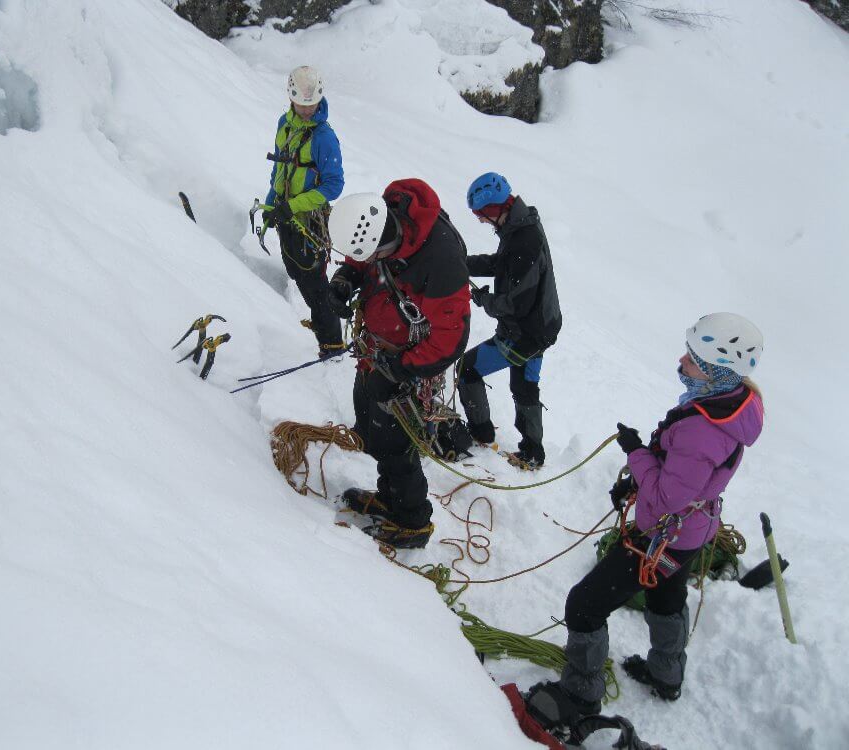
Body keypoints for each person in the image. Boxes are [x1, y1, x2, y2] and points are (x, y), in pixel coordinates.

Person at [525, 313, 765, 729]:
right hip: (689, 532)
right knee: (666, 597)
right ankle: (666, 674)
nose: (682, 362)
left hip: (664, 536)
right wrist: (640, 476)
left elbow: (665, 499)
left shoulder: (703, 430)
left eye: (692, 359)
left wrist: (636, 453)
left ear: (713, 370)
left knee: (584, 605)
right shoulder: (729, 403)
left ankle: (580, 697)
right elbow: (681, 480)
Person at [326, 179, 471, 549]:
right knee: (372, 429)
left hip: (407, 362)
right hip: (378, 351)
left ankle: (412, 521)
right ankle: (389, 499)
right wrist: (347, 277)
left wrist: (400, 370)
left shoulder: (440, 260)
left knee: (395, 443)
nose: (369, 261)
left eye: (372, 257)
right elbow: (364, 254)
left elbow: (450, 338)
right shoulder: (385, 217)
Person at [457, 172, 562, 470]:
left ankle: (481, 432)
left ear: (493, 210)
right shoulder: (520, 225)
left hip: (524, 331)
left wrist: (483, 300)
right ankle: (532, 452)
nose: (479, 221)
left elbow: (514, 304)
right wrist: (463, 264)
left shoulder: (523, 240)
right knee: (525, 385)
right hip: (542, 326)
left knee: (468, 368)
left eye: (480, 215)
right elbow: (502, 264)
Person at [262, 65, 346, 358]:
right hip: (287, 216)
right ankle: (321, 322)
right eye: (302, 104)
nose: (307, 110)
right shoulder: (284, 125)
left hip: (309, 221)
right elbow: (280, 170)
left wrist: (292, 206)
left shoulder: (324, 137)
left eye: (311, 105)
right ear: (292, 98)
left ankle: (332, 343)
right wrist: (271, 205)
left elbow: (334, 185)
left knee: (315, 282)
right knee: (296, 272)